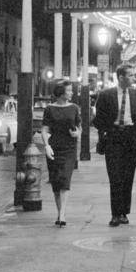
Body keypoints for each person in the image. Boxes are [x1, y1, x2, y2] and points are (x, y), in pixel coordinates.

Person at [93, 64, 136, 227]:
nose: (133, 78)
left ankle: (124, 212)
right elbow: (98, 119)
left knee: (128, 177)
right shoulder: (106, 95)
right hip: (113, 137)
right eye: (130, 75)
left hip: (131, 137)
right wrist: (106, 131)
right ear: (121, 77)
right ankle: (115, 214)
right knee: (115, 177)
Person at [40, 80, 81, 227]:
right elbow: (45, 129)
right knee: (56, 181)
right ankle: (59, 212)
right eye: (69, 90)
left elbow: (79, 127)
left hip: (69, 148)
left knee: (65, 179)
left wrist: (77, 133)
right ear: (61, 93)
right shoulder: (49, 109)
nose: (72, 93)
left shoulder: (74, 108)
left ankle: (62, 215)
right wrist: (46, 146)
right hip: (54, 147)